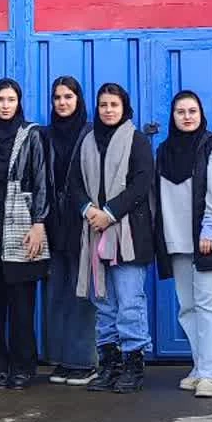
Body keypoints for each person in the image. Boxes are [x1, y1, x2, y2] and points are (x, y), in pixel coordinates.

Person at [70, 83, 157, 394]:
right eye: (103, 105)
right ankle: (109, 364)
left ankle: (133, 365)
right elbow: (74, 183)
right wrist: (88, 210)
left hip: (129, 234)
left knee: (130, 301)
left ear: (124, 108)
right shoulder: (87, 140)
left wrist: (110, 213)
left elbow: (142, 183)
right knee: (104, 303)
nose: (108, 110)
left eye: (114, 105)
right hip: (94, 231)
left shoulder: (137, 140)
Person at [153, 91, 212, 400]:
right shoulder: (164, 151)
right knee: (188, 308)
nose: (187, 117)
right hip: (177, 241)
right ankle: (200, 366)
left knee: (211, 307)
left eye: (192, 111)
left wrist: (210, 227)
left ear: (201, 114)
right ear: (172, 116)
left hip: (208, 240)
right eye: (180, 111)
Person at [0, 78, 51, 390]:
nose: (5, 106)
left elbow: (43, 180)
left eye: (11, 100)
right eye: (0, 100)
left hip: (22, 225)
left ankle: (23, 367)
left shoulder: (32, 135)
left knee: (22, 306)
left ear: (19, 103)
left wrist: (39, 223)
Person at [42, 76, 98, 386]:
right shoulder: (45, 134)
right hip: (53, 225)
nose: (62, 102)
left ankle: (84, 361)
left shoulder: (90, 133)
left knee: (82, 293)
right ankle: (62, 359)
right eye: (57, 97)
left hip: (82, 224)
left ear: (78, 100)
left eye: (68, 96)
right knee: (57, 293)